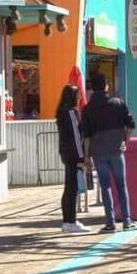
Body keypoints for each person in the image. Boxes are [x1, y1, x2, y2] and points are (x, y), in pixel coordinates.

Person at [80, 73, 137, 232]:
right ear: (106, 86)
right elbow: (131, 124)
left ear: (93, 88)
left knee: (105, 186)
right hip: (117, 149)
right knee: (121, 185)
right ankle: (127, 221)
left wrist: (87, 157)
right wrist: (125, 141)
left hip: (98, 152)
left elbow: (87, 136)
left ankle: (110, 223)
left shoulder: (87, 109)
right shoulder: (118, 103)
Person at [54, 84, 90, 234]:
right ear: (73, 97)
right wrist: (82, 156)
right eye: (78, 94)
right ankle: (71, 221)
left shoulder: (61, 111)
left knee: (68, 187)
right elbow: (76, 136)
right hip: (73, 154)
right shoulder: (71, 112)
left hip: (66, 152)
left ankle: (67, 221)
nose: (80, 97)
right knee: (72, 188)